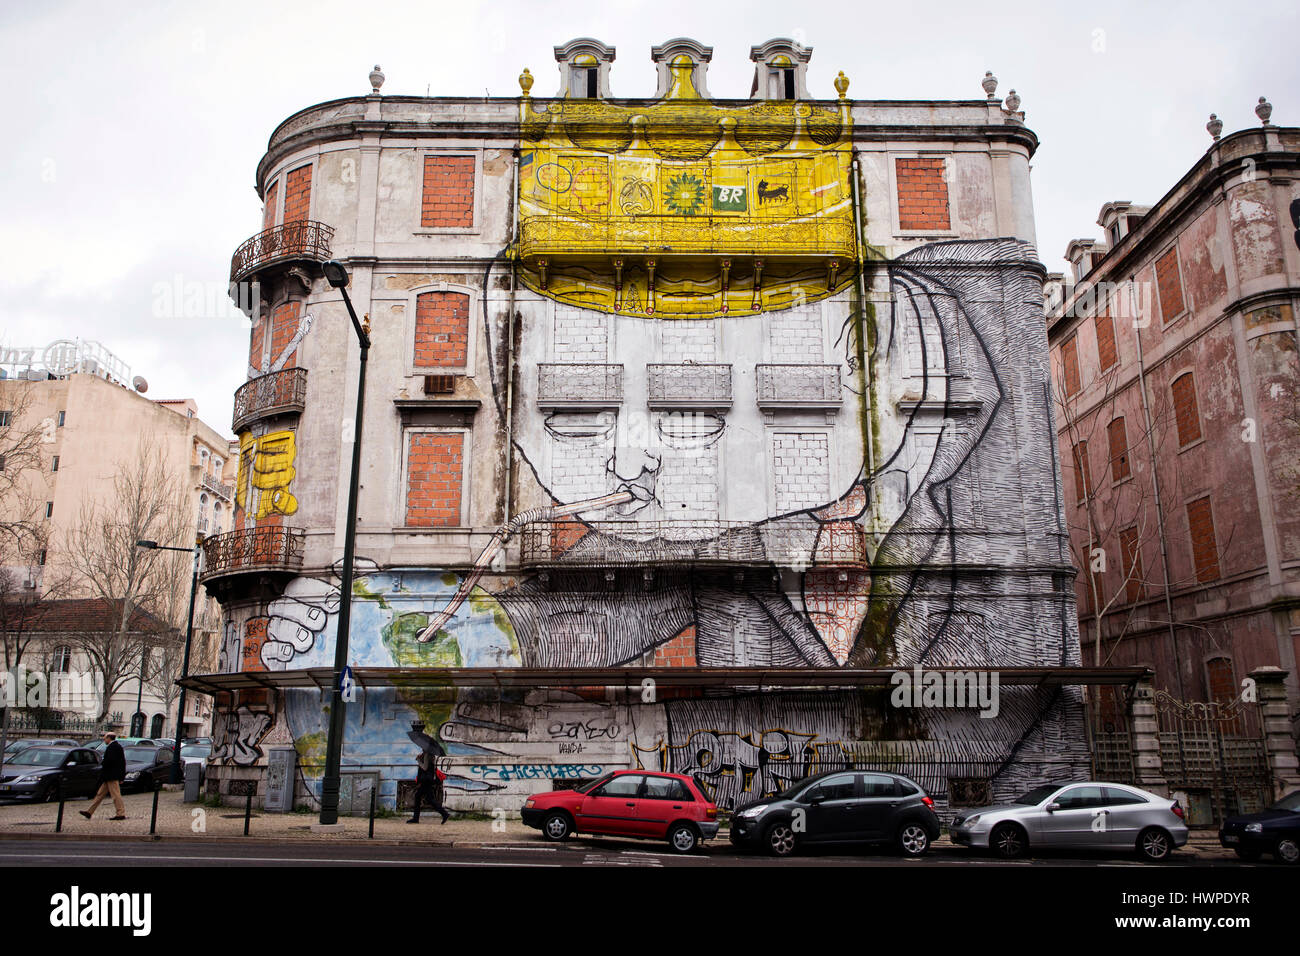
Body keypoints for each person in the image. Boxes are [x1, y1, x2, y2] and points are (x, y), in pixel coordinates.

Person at [80, 731, 126, 820]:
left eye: (105, 738)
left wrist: (120, 776)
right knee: (99, 794)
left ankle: (121, 813)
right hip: (109, 776)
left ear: (109, 738)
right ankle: (89, 812)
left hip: (112, 776)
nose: (104, 740)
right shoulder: (115, 747)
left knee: (115, 795)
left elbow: (116, 762)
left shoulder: (114, 747)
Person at [408, 748, 449, 824]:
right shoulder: (429, 754)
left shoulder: (427, 755)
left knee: (420, 797)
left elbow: (425, 767)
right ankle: (444, 814)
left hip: (426, 781)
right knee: (426, 798)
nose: (421, 748)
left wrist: (418, 760)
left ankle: (416, 818)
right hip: (427, 780)